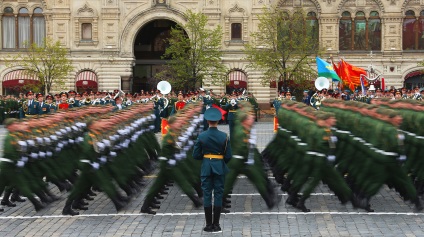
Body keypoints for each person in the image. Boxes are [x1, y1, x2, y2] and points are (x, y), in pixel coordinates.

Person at [193, 108, 232, 233]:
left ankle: (208, 224)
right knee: (219, 194)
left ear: (208, 121)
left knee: (207, 194)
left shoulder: (202, 136)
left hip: (206, 167)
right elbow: (228, 156)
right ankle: (217, 224)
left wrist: (205, 159)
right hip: (219, 167)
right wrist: (219, 162)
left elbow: (196, 155)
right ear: (218, 121)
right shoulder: (224, 136)